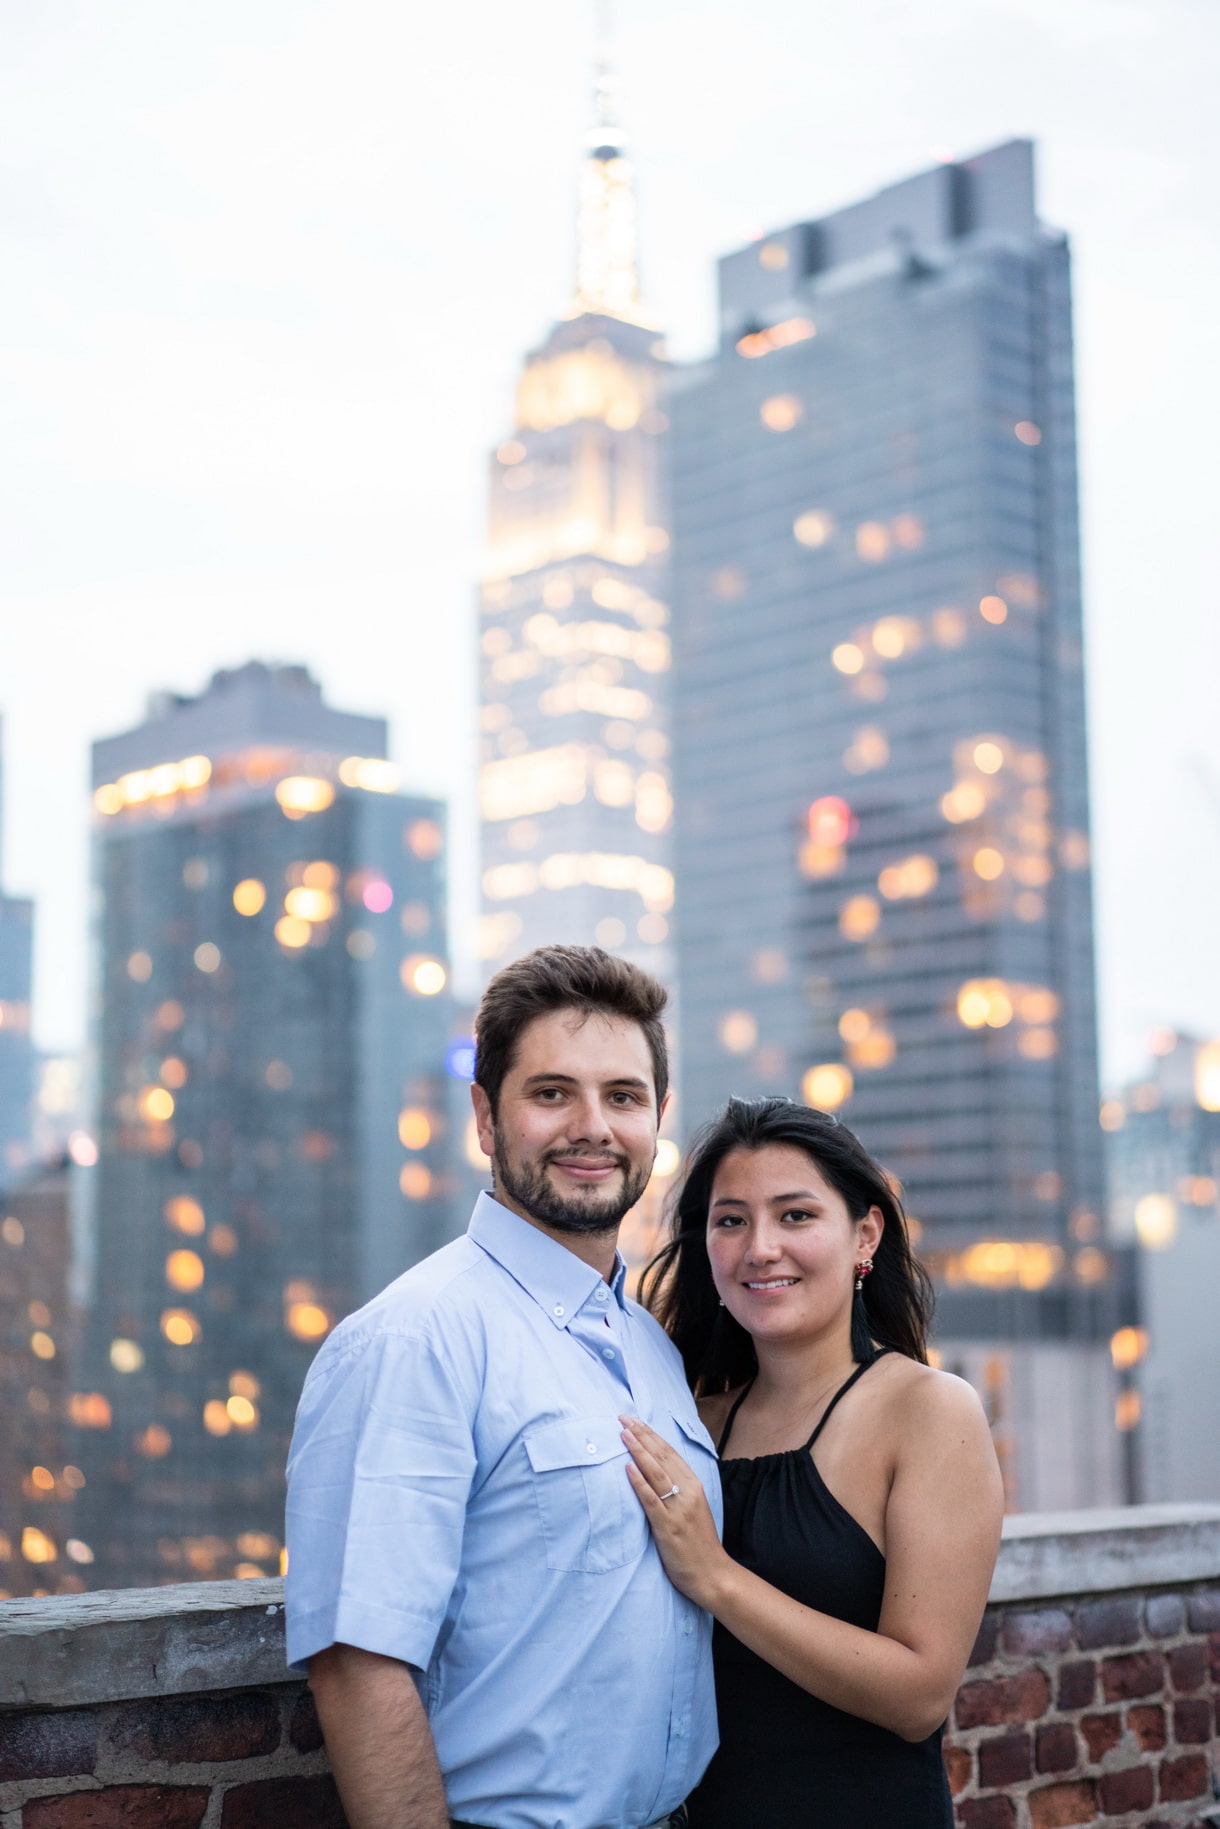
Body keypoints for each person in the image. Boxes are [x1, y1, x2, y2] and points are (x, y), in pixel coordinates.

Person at [284, 945, 721, 1829]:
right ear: (486, 1116)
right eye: (551, 1092)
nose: (592, 1126)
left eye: (623, 1096)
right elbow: (358, 1659)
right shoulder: (416, 1338)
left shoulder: (652, 1345)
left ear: (657, 1119)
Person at [625, 1096, 1004, 1829]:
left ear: (865, 1233)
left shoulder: (929, 1411)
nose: (760, 1246)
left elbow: (919, 1695)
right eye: (731, 1219)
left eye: (795, 1215)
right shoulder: (690, 1419)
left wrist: (718, 1578)